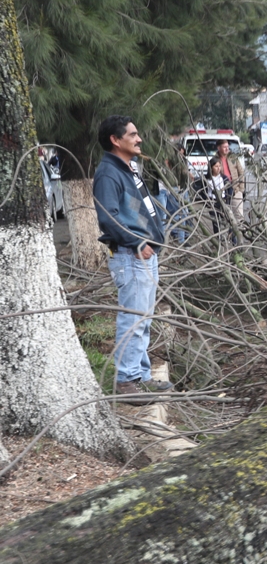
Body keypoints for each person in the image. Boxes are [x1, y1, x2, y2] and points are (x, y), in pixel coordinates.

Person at [92, 115, 173, 402]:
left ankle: (141, 375)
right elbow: (108, 218)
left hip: (144, 257)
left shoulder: (128, 168)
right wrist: (137, 242)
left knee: (144, 320)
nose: (139, 139)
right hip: (131, 256)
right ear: (115, 140)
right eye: (133, 135)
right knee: (134, 319)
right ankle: (126, 381)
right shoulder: (108, 174)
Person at [213, 140, 245, 221]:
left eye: (227, 147)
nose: (227, 149)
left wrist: (241, 189)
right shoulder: (215, 159)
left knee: (239, 216)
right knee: (226, 216)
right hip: (223, 192)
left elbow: (241, 172)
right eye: (224, 147)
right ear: (219, 148)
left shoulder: (233, 157)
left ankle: (239, 229)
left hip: (236, 190)